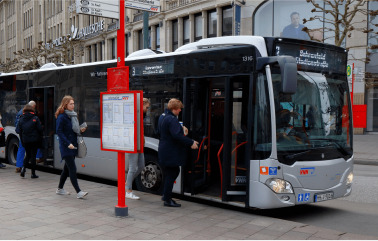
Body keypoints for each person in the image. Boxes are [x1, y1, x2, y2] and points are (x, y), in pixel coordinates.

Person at [158, 98, 199, 207]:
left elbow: (164, 131)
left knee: (170, 173)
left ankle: (166, 195)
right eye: (179, 108)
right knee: (173, 172)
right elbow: (177, 135)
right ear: (174, 109)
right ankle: (167, 199)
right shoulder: (172, 119)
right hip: (170, 151)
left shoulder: (162, 117)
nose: (180, 110)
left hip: (164, 149)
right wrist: (191, 142)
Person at [55, 95, 88, 199]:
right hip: (66, 146)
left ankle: (60, 189)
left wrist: (80, 129)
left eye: (73, 103)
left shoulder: (72, 115)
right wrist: (67, 143)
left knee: (66, 169)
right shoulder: (62, 116)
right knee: (72, 168)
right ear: (65, 104)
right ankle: (78, 192)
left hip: (73, 145)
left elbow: (72, 130)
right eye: (71, 104)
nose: (73, 105)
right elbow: (59, 131)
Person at [125, 98, 151, 200]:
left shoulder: (141, 116)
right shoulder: (133, 115)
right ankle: (128, 190)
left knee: (141, 166)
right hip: (132, 143)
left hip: (139, 144)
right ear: (141, 105)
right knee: (133, 168)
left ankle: (127, 183)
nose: (147, 109)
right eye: (147, 107)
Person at [15, 104, 43, 178]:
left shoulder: (21, 118)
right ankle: (33, 174)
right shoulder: (35, 118)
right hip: (34, 140)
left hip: (25, 140)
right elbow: (40, 129)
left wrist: (22, 139)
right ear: (32, 110)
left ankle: (23, 169)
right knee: (33, 156)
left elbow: (18, 130)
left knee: (27, 155)